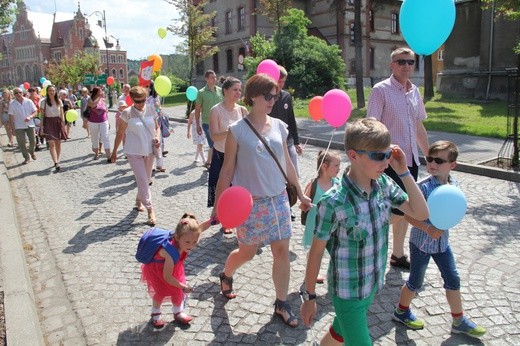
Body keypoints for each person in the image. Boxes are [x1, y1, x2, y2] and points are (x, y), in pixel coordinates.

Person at [300, 118, 429, 345]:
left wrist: (404, 172)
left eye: (388, 154)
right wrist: (309, 296)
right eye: (378, 156)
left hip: (371, 285)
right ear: (353, 155)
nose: (385, 161)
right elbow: (316, 251)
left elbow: (420, 212)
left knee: (339, 333)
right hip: (347, 293)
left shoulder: (384, 186)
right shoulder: (333, 202)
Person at [213, 73, 312, 328]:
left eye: (275, 96)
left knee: (280, 251)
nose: (272, 100)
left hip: (278, 199)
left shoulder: (279, 125)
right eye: (267, 96)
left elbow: (287, 163)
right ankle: (227, 273)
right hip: (250, 203)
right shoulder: (237, 130)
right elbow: (227, 170)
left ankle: (281, 303)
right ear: (253, 97)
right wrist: (219, 206)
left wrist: (300, 193)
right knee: (247, 252)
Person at [393, 140, 486, 338]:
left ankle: (458, 320)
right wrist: (427, 227)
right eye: (429, 159)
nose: (432, 163)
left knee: (453, 278)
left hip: (443, 243)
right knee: (415, 282)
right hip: (421, 244)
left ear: (452, 165)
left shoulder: (454, 185)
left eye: (439, 160)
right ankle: (401, 311)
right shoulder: (422, 188)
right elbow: (407, 215)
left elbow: (453, 209)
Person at [367, 47, 430, 270]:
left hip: (410, 160)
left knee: (405, 208)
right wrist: (383, 149)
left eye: (410, 62)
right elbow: (372, 124)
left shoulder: (414, 92)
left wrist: (429, 155)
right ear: (392, 65)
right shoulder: (380, 90)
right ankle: (369, 240)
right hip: (388, 161)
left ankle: (397, 254)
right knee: (391, 208)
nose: (406, 66)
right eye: (401, 62)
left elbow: (418, 125)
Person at [141, 212, 214, 328]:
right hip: (159, 270)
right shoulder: (171, 252)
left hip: (174, 267)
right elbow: (168, 277)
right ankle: (155, 312)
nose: (191, 245)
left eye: (195, 241)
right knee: (160, 292)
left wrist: (212, 221)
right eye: (187, 242)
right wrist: (184, 287)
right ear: (177, 238)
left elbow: (199, 229)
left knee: (177, 291)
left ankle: (178, 312)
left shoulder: (185, 236)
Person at [110, 86, 160, 226]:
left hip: (149, 150)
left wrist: (157, 137)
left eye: (143, 100)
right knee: (144, 180)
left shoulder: (150, 108)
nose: (140, 103)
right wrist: (114, 152)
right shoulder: (127, 113)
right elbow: (120, 133)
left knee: (145, 178)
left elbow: (157, 127)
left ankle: (139, 201)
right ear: (132, 100)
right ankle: (150, 209)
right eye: (137, 101)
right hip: (133, 152)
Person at [300, 150, 341, 283]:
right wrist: (305, 205)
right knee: (314, 250)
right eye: (336, 166)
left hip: (333, 223)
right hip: (315, 223)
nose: (339, 169)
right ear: (324, 166)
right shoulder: (313, 184)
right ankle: (311, 273)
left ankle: (334, 273)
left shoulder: (338, 183)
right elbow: (303, 203)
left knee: (334, 249)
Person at [207, 76, 247, 210]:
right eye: (234, 90)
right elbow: (214, 137)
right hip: (221, 156)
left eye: (240, 90)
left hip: (238, 156)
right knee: (222, 191)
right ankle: (222, 216)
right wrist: (231, 130)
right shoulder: (216, 110)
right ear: (225, 91)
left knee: (236, 189)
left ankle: (234, 215)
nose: (238, 93)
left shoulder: (242, 110)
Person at [269, 66, 303, 221]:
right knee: (277, 177)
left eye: (283, 81)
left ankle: (288, 207)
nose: (281, 84)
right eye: (279, 81)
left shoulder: (286, 97)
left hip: (288, 142)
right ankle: (277, 208)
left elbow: (291, 119)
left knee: (292, 175)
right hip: (272, 144)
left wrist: (296, 142)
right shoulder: (267, 97)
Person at [195, 70, 223, 169]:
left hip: (220, 122)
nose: (215, 79)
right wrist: (198, 125)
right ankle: (215, 165)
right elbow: (197, 110)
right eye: (212, 77)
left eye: (215, 77)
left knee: (219, 144)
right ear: (206, 79)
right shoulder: (201, 92)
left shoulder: (220, 90)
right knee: (213, 143)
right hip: (207, 123)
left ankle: (208, 162)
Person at [40, 85, 67, 171]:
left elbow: (62, 114)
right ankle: (55, 162)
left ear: (55, 92)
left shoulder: (59, 101)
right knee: (51, 143)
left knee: (58, 143)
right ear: (47, 92)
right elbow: (42, 116)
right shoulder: (43, 102)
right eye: (50, 91)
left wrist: (63, 125)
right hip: (48, 122)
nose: (51, 92)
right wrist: (41, 127)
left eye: (53, 91)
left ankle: (57, 159)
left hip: (57, 122)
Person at [8, 87, 38, 164]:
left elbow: (35, 112)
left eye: (20, 92)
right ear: (14, 94)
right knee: (21, 143)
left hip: (30, 124)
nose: (18, 94)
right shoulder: (12, 104)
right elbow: (11, 117)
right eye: (16, 93)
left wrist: (30, 117)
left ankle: (31, 151)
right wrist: (12, 129)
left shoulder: (29, 101)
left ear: (23, 93)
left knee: (33, 141)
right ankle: (26, 157)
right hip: (18, 125)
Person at [87, 87, 111, 161]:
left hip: (103, 121)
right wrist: (99, 98)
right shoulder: (89, 99)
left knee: (105, 137)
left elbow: (106, 111)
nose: (102, 93)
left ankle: (108, 156)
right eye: (100, 91)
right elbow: (93, 105)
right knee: (94, 138)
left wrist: (108, 121)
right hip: (93, 122)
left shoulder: (103, 100)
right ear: (96, 92)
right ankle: (96, 154)